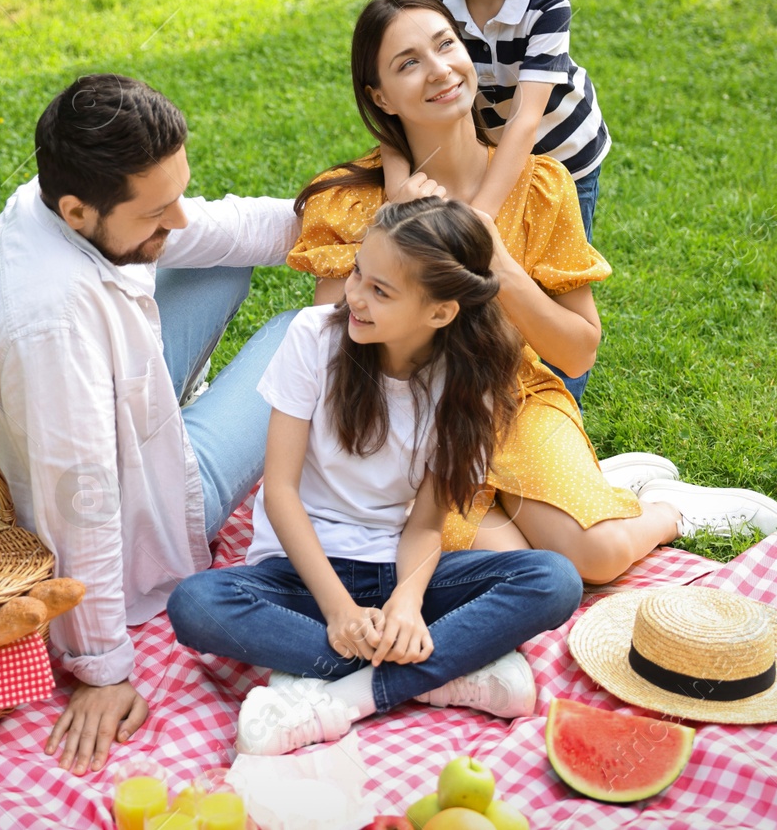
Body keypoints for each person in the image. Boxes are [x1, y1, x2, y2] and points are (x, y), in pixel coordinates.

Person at [291, 0, 777, 584]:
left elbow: (578, 349)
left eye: (445, 45)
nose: (438, 70)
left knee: (598, 558)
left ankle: (667, 511)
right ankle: (597, 484)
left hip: (515, 400)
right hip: (409, 427)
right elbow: (334, 348)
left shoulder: (541, 187)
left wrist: (498, 266)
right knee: (525, 570)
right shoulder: (349, 202)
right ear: (380, 96)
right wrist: (394, 237)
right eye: (407, 63)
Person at [0, 74, 299, 775]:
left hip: (110, 411)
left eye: (177, 196)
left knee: (222, 262)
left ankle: (185, 401)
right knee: (308, 334)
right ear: (78, 211)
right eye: (157, 211)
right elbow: (84, 503)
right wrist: (103, 668)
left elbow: (211, 224)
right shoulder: (49, 328)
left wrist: (355, 220)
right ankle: (203, 428)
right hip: (132, 497)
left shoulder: (48, 202)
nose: (180, 220)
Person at [168, 198, 584, 755]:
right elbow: (282, 493)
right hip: (298, 579)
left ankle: (353, 692)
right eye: (359, 272)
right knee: (195, 604)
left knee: (554, 580)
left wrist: (407, 607)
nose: (354, 296)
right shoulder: (314, 337)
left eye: (380, 291)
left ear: (439, 312)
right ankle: (443, 673)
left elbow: (427, 527)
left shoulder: (469, 386)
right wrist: (339, 611)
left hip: (394, 572)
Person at [380, 0, 609, 403]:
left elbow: (528, 121)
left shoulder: (545, 4)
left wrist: (479, 214)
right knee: (486, 280)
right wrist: (396, 183)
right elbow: (394, 108)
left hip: (562, 154)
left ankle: (561, 407)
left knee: (550, 283)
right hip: (491, 145)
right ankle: (481, 392)